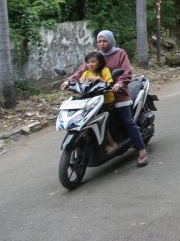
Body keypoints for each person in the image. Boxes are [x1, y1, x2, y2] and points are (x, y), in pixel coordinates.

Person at [63, 30, 148, 167]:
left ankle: (141, 150)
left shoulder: (120, 53)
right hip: (96, 96)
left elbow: (127, 72)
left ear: (111, 40)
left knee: (127, 121)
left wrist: (119, 83)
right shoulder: (95, 56)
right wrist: (69, 81)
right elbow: (81, 71)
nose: (101, 44)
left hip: (118, 93)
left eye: (104, 41)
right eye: (99, 41)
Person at [77, 50, 119, 153]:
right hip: (92, 102)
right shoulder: (86, 72)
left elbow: (109, 83)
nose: (90, 64)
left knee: (101, 121)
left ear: (100, 62)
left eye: (93, 61)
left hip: (106, 101)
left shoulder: (105, 71)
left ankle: (112, 143)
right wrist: (79, 82)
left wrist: (99, 79)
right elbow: (81, 81)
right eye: (88, 62)